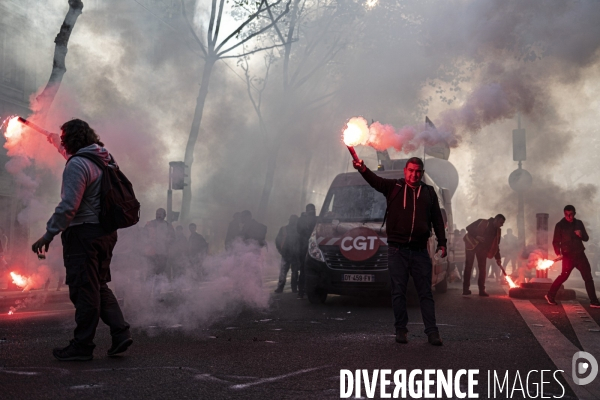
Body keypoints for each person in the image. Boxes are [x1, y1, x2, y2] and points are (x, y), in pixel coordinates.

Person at [31, 119, 132, 361]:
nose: (62, 141)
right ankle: (120, 333)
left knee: (84, 290)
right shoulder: (104, 157)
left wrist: (48, 233)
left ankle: (82, 345)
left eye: (64, 138)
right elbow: (76, 160)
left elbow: (69, 206)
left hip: (84, 235)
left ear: (72, 140)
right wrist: (51, 138)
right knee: (97, 285)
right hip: (105, 233)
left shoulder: (77, 164)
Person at [353, 157, 446, 346]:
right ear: (405, 171)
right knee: (398, 292)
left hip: (420, 251)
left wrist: (442, 243)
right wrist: (362, 168)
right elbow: (374, 180)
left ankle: (432, 332)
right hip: (397, 251)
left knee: (425, 293)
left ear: (422, 173)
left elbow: (437, 219)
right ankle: (401, 330)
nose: (414, 174)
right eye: (411, 170)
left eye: (418, 171)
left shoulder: (429, 192)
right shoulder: (394, 187)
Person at [546, 205, 600, 307]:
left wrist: (581, 234)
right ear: (564, 214)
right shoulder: (560, 225)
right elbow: (556, 242)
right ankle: (550, 295)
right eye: (567, 214)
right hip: (568, 256)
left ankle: (594, 301)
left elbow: (586, 238)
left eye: (571, 214)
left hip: (580, 255)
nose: (569, 217)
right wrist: (559, 253)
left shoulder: (579, 223)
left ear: (574, 213)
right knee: (563, 276)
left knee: (588, 277)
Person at [463, 214, 505, 296]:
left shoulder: (498, 231)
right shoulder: (482, 221)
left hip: (483, 250)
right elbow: (468, 228)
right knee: (468, 267)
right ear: (495, 220)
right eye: (501, 222)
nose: (502, 225)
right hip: (471, 246)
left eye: (502, 223)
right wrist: (477, 236)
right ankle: (465, 289)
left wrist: (498, 258)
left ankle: (482, 290)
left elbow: (496, 245)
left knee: (482, 269)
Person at [143, 208, 174, 277]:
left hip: (163, 253)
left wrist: (168, 242)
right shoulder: (150, 224)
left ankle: (159, 286)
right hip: (151, 253)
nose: (158, 216)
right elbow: (143, 236)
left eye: (160, 214)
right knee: (150, 272)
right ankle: (148, 286)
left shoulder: (168, 226)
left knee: (160, 273)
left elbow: (173, 239)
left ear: (165, 215)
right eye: (157, 214)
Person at [274, 215, 300, 293]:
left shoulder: (298, 230)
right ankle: (284, 287)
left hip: (294, 254)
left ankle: (292, 288)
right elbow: (278, 240)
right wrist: (280, 250)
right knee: (286, 272)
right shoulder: (284, 229)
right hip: (287, 254)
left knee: (291, 272)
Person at [296, 204, 317, 299]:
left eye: (313, 210)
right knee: (304, 269)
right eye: (310, 210)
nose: (312, 212)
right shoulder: (302, 220)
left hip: (313, 246)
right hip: (304, 247)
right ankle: (301, 291)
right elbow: (299, 230)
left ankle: (307, 290)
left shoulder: (316, 219)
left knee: (312, 269)